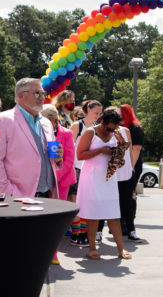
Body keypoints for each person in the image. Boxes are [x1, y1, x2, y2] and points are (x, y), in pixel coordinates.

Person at [76, 107, 131, 260]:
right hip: (91, 176)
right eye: (108, 128)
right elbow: (79, 155)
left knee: (113, 213)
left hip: (109, 177)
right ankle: (92, 249)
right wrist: (100, 150)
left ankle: (120, 249)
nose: (110, 131)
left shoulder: (116, 132)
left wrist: (120, 145)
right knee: (93, 214)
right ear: (103, 121)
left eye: (114, 129)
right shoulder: (90, 132)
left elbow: (122, 154)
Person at [0, 78, 58, 198]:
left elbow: (46, 157)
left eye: (43, 93)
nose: (42, 97)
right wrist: (7, 193)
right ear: (21, 95)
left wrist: (58, 158)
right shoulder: (1, 120)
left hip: (48, 195)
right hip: (18, 197)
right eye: (37, 93)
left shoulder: (46, 123)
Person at [40, 104, 76, 265]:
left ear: (55, 121)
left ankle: (54, 252)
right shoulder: (38, 132)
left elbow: (69, 159)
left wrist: (56, 176)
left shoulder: (66, 133)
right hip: (42, 180)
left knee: (56, 217)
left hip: (61, 181)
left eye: (47, 121)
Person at [69, 100, 103, 246]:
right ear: (88, 110)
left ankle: (84, 233)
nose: (98, 115)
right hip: (76, 168)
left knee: (87, 202)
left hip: (90, 169)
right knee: (76, 202)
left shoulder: (97, 128)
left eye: (100, 113)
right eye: (96, 112)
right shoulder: (78, 125)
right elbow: (69, 146)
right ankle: (76, 234)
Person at [118, 104, 145, 242]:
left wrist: (131, 169)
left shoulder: (135, 128)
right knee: (121, 197)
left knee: (129, 196)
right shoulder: (122, 128)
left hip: (131, 166)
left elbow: (135, 150)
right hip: (122, 166)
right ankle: (121, 225)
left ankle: (129, 227)